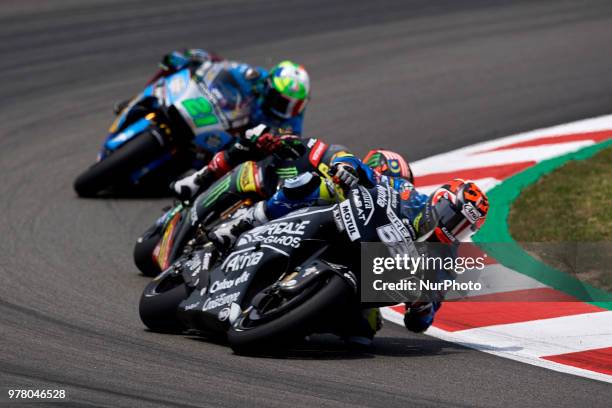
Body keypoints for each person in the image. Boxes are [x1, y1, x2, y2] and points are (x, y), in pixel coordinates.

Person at [147, 48, 310, 136]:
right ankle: (146, 93)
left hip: (235, 139)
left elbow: (291, 145)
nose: (288, 110)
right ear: (269, 86)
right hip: (219, 113)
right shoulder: (256, 76)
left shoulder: (292, 122)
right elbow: (225, 67)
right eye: (283, 102)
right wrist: (201, 58)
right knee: (174, 61)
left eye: (296, 105)